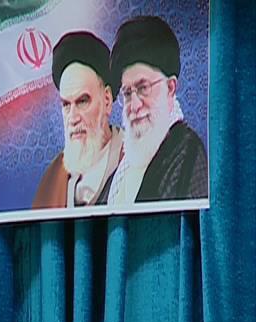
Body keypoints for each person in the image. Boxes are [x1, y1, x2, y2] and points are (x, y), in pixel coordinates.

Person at [107, 16, 207, 205]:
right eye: (127, 93)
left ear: (170, 88)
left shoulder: (188, 154)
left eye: (143, 88)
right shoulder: (124, 165)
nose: (134, 105)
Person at [32, 31, 123, 209]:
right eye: (66, 105)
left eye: (82, 101)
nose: (73, 118)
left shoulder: (134, 162)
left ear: (106, 100)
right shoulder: (54, 177)